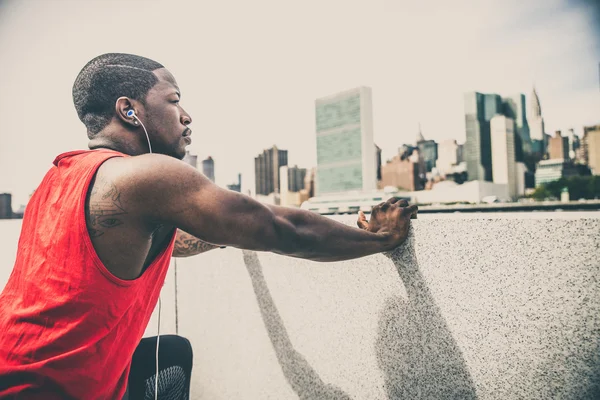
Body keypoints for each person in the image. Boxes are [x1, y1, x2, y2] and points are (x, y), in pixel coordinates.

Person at [0, 53, 417, 399]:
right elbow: (277, 227)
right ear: (129, 110)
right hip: (41, 390)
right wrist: (379, 239)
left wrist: (221, 237)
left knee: (172, 353)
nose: (186, 116)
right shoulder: (142, 175)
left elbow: (167, 241)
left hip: (17, 365)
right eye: (174, 100)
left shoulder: (60, 178)